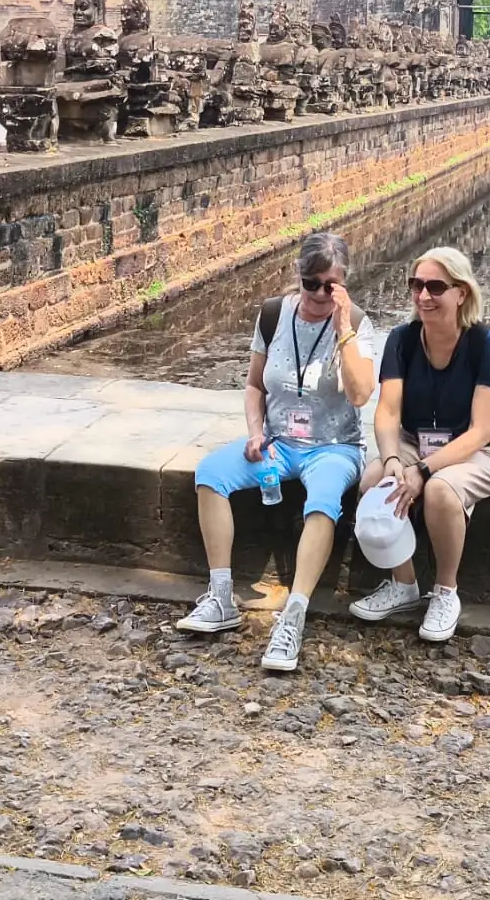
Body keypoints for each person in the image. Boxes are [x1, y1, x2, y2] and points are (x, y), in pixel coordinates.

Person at [177, 232, 379, 671]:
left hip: (333, 447)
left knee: (322, 501)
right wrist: (255, 433)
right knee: (211, 474)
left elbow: (361, 394)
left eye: (330, 285)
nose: (320, 294)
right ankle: (220, 595)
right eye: (311, 284)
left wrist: (343, 329)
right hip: (279, 442)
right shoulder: (273, 314)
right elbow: (254, 385)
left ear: (343, 283)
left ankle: (294, 615)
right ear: (298, 277)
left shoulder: (357, 323)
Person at [351, 246, 490, 642]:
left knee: (440, 490)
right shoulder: (403, 340)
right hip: (415, 442)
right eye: (416, 285)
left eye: (436, 287)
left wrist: (424, 470)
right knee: (374, 480)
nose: (424, 296)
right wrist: (393, 458)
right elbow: (388, 411)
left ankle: (445, 592)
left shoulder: (486, 345)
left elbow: (480, 431)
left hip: (482, 450)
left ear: (461, 293)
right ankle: (403, 583)